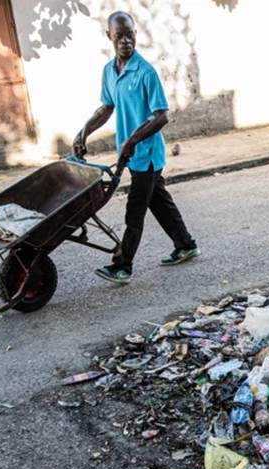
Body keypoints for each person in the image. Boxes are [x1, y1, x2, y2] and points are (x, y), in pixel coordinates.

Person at [72, 11, 199, 284]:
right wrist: (84, 131)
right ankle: (185, 244)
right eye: (120, 36)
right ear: (110, 37)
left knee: (135, 211)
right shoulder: (109, 71)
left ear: (135, 35)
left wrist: (132, 140)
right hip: (132, 153)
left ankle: (122, 266)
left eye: (130, 35)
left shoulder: (145, 72)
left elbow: (161, 115)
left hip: (148, 154)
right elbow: (106, 107)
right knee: (158, 200)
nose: (126, 41)